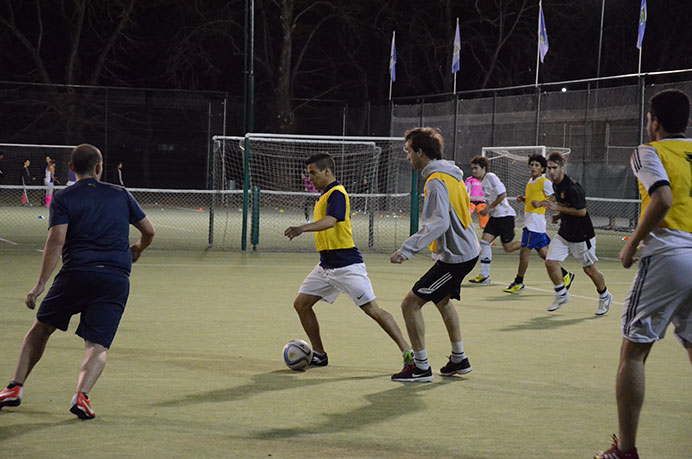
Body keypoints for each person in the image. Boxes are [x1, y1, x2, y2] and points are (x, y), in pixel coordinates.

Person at [0, 144, 155, 420]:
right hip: (115, 278)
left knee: (41, 329)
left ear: (71, 168)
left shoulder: (64, 198)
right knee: (97, 344)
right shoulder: (120, 194)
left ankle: (14, 387)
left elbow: (56, 240)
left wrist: (40, 284)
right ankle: (81, 396)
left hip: (77, 273)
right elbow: (149, 231)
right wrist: (138, 249)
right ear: (99, 168)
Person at [594, 89, 692, 459]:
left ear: (654, 121)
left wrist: (633, 243)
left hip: (669, 255)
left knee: (634, 353)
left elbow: (663, 198)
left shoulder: (648, 151)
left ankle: (626, 451)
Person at [284, 152, 413, 371]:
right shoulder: (324, 195)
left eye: (313, 173)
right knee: (301, 304)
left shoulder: (337, 193)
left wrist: (302, 228)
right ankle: (320, 354)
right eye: (308, 175)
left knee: (373, 310)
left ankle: (409, 353)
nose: (310, 179)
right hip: (326, 265)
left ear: (327, 171)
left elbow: (331, 221)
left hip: (346, 265)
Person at [390, 127, 480, 383]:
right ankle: (459, 359)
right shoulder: (451, 176)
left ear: (420, 152)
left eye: (409, 152)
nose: (408, 157)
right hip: (464, 252)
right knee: (442, 300)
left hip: (457, 258)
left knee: (410, 304)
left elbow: (437, 223)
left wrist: (406, 250)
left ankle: (420, 368)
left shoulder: (436, 181)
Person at [533, 152, 612, 315]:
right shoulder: (556, 184)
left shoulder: (574, 188)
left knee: (589, 270)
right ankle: (561, 294)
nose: (551, 171)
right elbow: (564, 203)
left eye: (554, 168)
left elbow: (581, 212)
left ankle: (605, 296)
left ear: (563, 168)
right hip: (565, 233)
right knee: (550, 261)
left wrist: (558, 209)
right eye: (549, 168)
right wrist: (559, 215)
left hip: (582, 236)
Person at [503, 155, 573, 293]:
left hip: (534, 224)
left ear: (542, 168)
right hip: (532, 223)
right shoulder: (530, 181)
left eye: (537, 165)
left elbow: (555, 196)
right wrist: (524, 199)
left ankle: (519, 282)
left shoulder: (545, 182)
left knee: (524, 253)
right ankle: (565, 275)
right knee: (544, 254)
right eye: (531, 165)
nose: (533, 167)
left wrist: (541, 203)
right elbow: (534, 200)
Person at [467, 156, 519, 284]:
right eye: (472, 168)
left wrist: (488, 209)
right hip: (495, 217)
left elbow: (503, 195)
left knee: (508, 248)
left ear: (483, 168)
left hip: (505, 216)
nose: (473, 171)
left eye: (476, 168)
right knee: (484, 243)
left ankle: (530, 242)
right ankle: (485, 276)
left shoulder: (491, 177)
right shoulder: (482, 181)